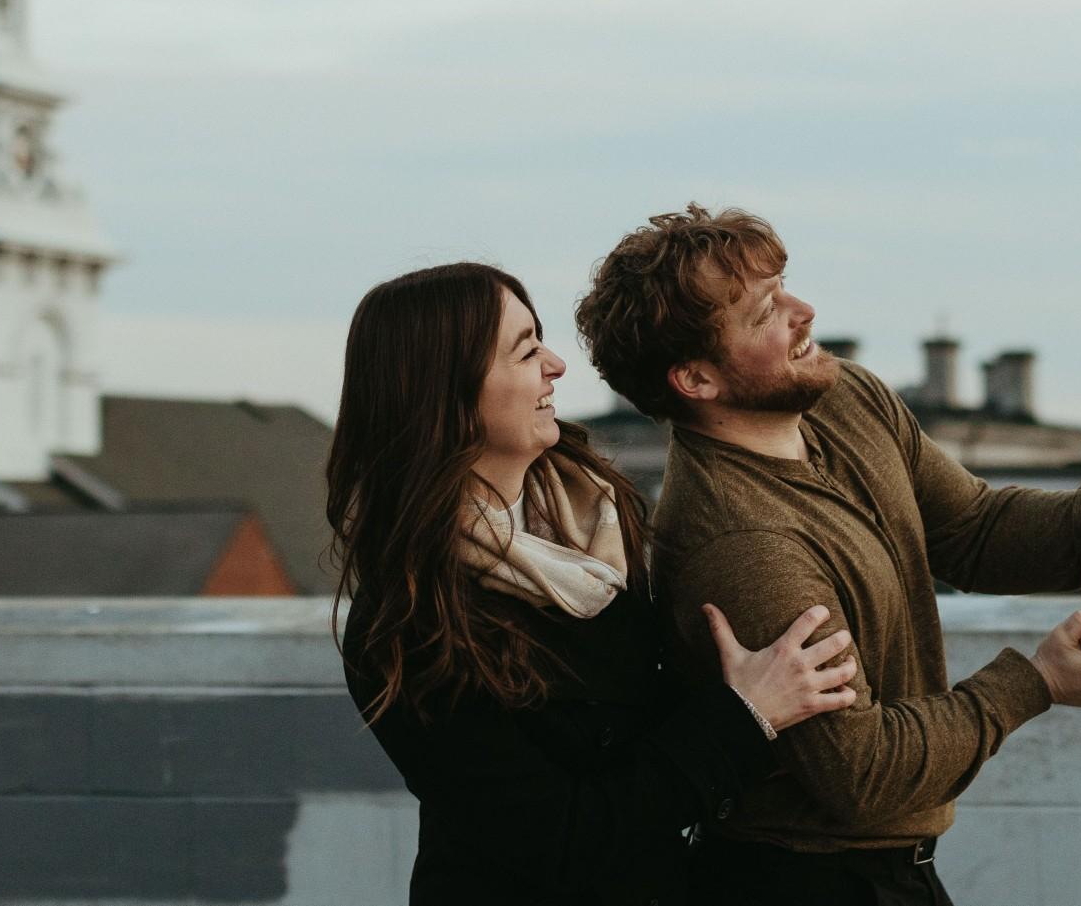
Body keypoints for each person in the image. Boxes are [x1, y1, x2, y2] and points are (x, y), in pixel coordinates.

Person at [573, 208, 1081, 905]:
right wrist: (1037, 681)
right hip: (803, 881)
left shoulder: (844, 399)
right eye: (766, 311)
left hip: (892, 872)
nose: (804, 312)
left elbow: (976, 529)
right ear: (696, 379)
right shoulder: (742, 546)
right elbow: (860, 772)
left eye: (785, 286)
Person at [327, 261, 862, 905]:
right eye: (526, 351)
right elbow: (562, 838)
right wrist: (745, 715)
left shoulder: (592, 515)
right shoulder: (413, 617)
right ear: (447, 393)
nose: (555, 365)